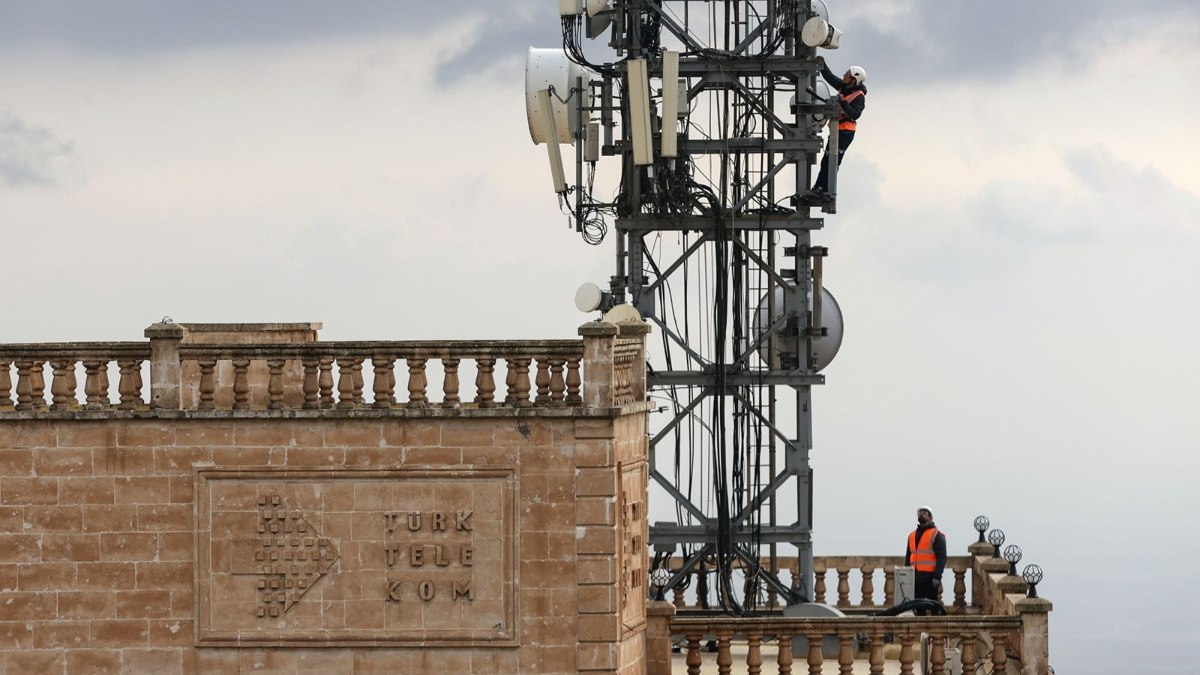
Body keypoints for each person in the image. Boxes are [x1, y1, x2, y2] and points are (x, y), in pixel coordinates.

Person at [805, 56, 867, 202]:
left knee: (833, 160)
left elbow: (855, 114)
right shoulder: (844, 87)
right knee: (827, 160)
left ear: (854, 80)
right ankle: (819, 188)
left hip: (845, 132)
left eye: (847, 74)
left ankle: (825, 190)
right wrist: (822, 64)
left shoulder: (859, 96)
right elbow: (830, 77)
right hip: (837, 130)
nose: (844, 75)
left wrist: (843, 101)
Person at [905, 506, 947, 603]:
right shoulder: (912, 535)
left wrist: (937, 576)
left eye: (924, 513)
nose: (921, 515)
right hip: (915, 577)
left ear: (930, 517)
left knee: (933, 605)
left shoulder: (936, 535)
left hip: (930, 578)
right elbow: (908, 558)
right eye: (920, 513)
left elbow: (942, 558)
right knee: (918, 606)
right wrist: (907, 574)